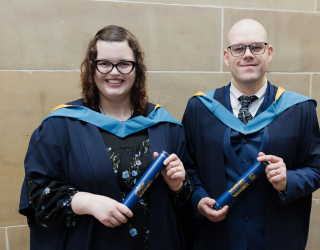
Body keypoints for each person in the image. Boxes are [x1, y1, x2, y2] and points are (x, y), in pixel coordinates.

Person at [19, 25, 193, 250]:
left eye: (124, 64)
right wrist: (84, 202)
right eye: (104, 64)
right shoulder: (60, 126)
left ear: (136, 69)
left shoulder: (166, 126)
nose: (114, 72)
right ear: (91, 69)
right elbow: (36, 196)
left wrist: (178, 185)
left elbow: (187, 198)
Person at [182, 19, 320, 250]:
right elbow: (187, 169)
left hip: (277, 238)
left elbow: (317, 170)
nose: (247, 54)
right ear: (226, 56)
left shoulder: (299, 109)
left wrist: (288, 180)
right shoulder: (199, 108)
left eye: (256, 47)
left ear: (269, 53)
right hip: (217, 237)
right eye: (238, 48)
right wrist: (198, 200)